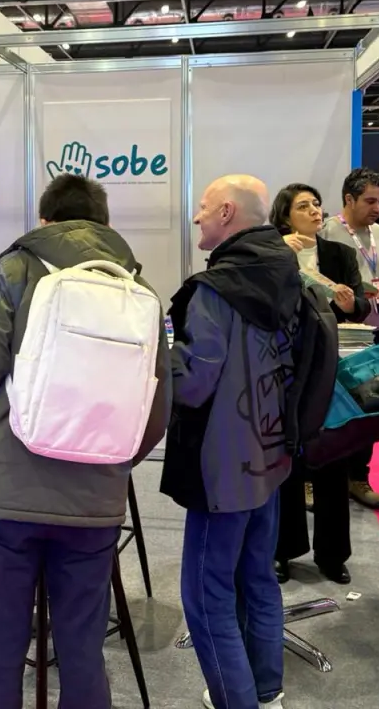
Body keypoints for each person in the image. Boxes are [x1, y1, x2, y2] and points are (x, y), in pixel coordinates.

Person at [0, 174, 169, 709]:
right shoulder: (138, 291)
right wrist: (110, 458)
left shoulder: (16, 270)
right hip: (95, 498)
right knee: (83, 647)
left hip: (9, 489)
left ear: (46, 221)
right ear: (105, 223)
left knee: (1, 645)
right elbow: (156, 409)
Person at [162, 174, 300, 709]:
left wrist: (157, 360)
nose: (196, 216)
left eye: (202, 207)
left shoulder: (215, 289)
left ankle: (236, 701)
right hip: (271, 453)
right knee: (257, 577)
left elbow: (193, 383)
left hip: (222, 465)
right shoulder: (286, 269)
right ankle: (265, 691)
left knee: (206, 592)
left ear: (225, 212)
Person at [272, 183, 370, 586]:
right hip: (285, 366)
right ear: (285, 216)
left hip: (332, 364)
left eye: (316, 204)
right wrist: (281, 256)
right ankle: (282, 550)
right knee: (284, 461)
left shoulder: (340, 254)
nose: (315, 211)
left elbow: (362, 306)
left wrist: (351, 304)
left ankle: (332, 554)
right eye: (303, 206)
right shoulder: (273, 253)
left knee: (331, 455)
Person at [319, 167, 379, 512]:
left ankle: (358, 477)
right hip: (339, 332)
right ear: (348, 199)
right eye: (369, 201)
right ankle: (316, 477)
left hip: (375, 330)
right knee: (330, 405)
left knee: (370, 404)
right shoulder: (326, 232)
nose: (377, 208)